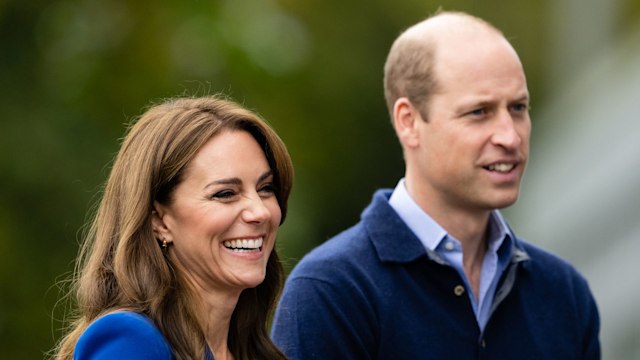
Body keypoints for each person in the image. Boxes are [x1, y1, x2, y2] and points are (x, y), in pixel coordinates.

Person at [271, 10, 600, 360]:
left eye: (518, 107)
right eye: (479, 112)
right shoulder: (332, 292)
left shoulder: (565, 294)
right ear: (409, 122)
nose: (510, 135)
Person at [52, 96, 293, 360]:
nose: (260, 212)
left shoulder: (258, 352)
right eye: (225, 193)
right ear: (158, 220)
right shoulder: (131, 342)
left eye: (265, 188)